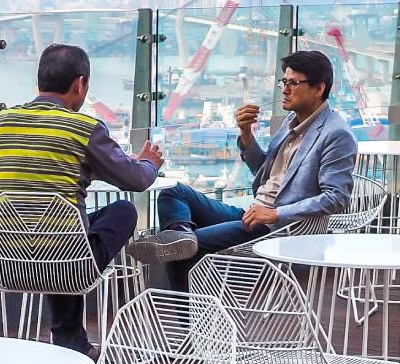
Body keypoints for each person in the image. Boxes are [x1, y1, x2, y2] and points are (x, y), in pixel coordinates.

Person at [127, 48, 356, 287]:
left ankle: (187, 322)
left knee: (183, 252)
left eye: (293, 83)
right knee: (172, 192)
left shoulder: (336, 134)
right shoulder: (291, 121)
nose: (285, 89)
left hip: (278, 227)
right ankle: (180, 235)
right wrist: (246, 134)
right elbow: (263, 171)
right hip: (252, 214)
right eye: (284, 82)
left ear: (318, 88)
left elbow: (337, 198)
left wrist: (276, 213)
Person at [0, 42, 162, 355]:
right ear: (80, 83)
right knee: (120, 212)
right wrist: (149, 161)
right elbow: (136, 180)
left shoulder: (3, 122)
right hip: (66, 263)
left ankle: (72, 341)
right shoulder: (85, 128)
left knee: (61, 228)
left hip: (2, 258)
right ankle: (71, 342)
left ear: (38, 81)